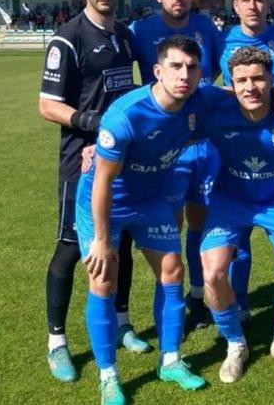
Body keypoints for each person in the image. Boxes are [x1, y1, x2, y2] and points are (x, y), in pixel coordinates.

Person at [76, 36, 218, 404]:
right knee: (103, 279)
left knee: (172, 272)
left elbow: (242, 94)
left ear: (200, 72)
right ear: (157, 71)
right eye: (175, 66)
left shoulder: (199, 100)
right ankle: (109, 376)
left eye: (191, 67)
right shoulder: (126, 115)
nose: (183, 75)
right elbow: (102, 183)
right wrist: (102, 240)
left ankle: (170, 360)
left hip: (151, 198)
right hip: (106, 201)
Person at [38, 0, 144, 382]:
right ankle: (57, 342)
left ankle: (121, 324)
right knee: (70, 246)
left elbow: (130, 85)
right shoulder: (68, 38)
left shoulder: (124, 34)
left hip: (124, 158)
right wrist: (91, 123)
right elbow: (46, 106)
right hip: (81, 162)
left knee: (124, 243)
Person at [197, 47, 274, 382]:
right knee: (213, 275)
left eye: (259, 79)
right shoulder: (215, 107)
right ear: (231, 84)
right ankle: (236, 344)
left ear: (272, 80)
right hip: (229, 201)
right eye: (242, 81)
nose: (250, 87)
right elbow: (178, 92)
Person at [130, 0, 221, 330]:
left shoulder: (209, 28)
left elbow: (226, 77)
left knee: (202, 223)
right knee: (169, 230)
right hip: (166, 149)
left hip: (206, 145)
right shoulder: (140, 31)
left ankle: (198, 297)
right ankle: (170, 305)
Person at [214, 0, 274, 324]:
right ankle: (240, 302)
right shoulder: (220, 40)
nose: (253, 6)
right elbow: (205, 85)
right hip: (234, 142)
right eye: (246, 0)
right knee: (238, 231)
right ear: (235, 5)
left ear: (268, 3)